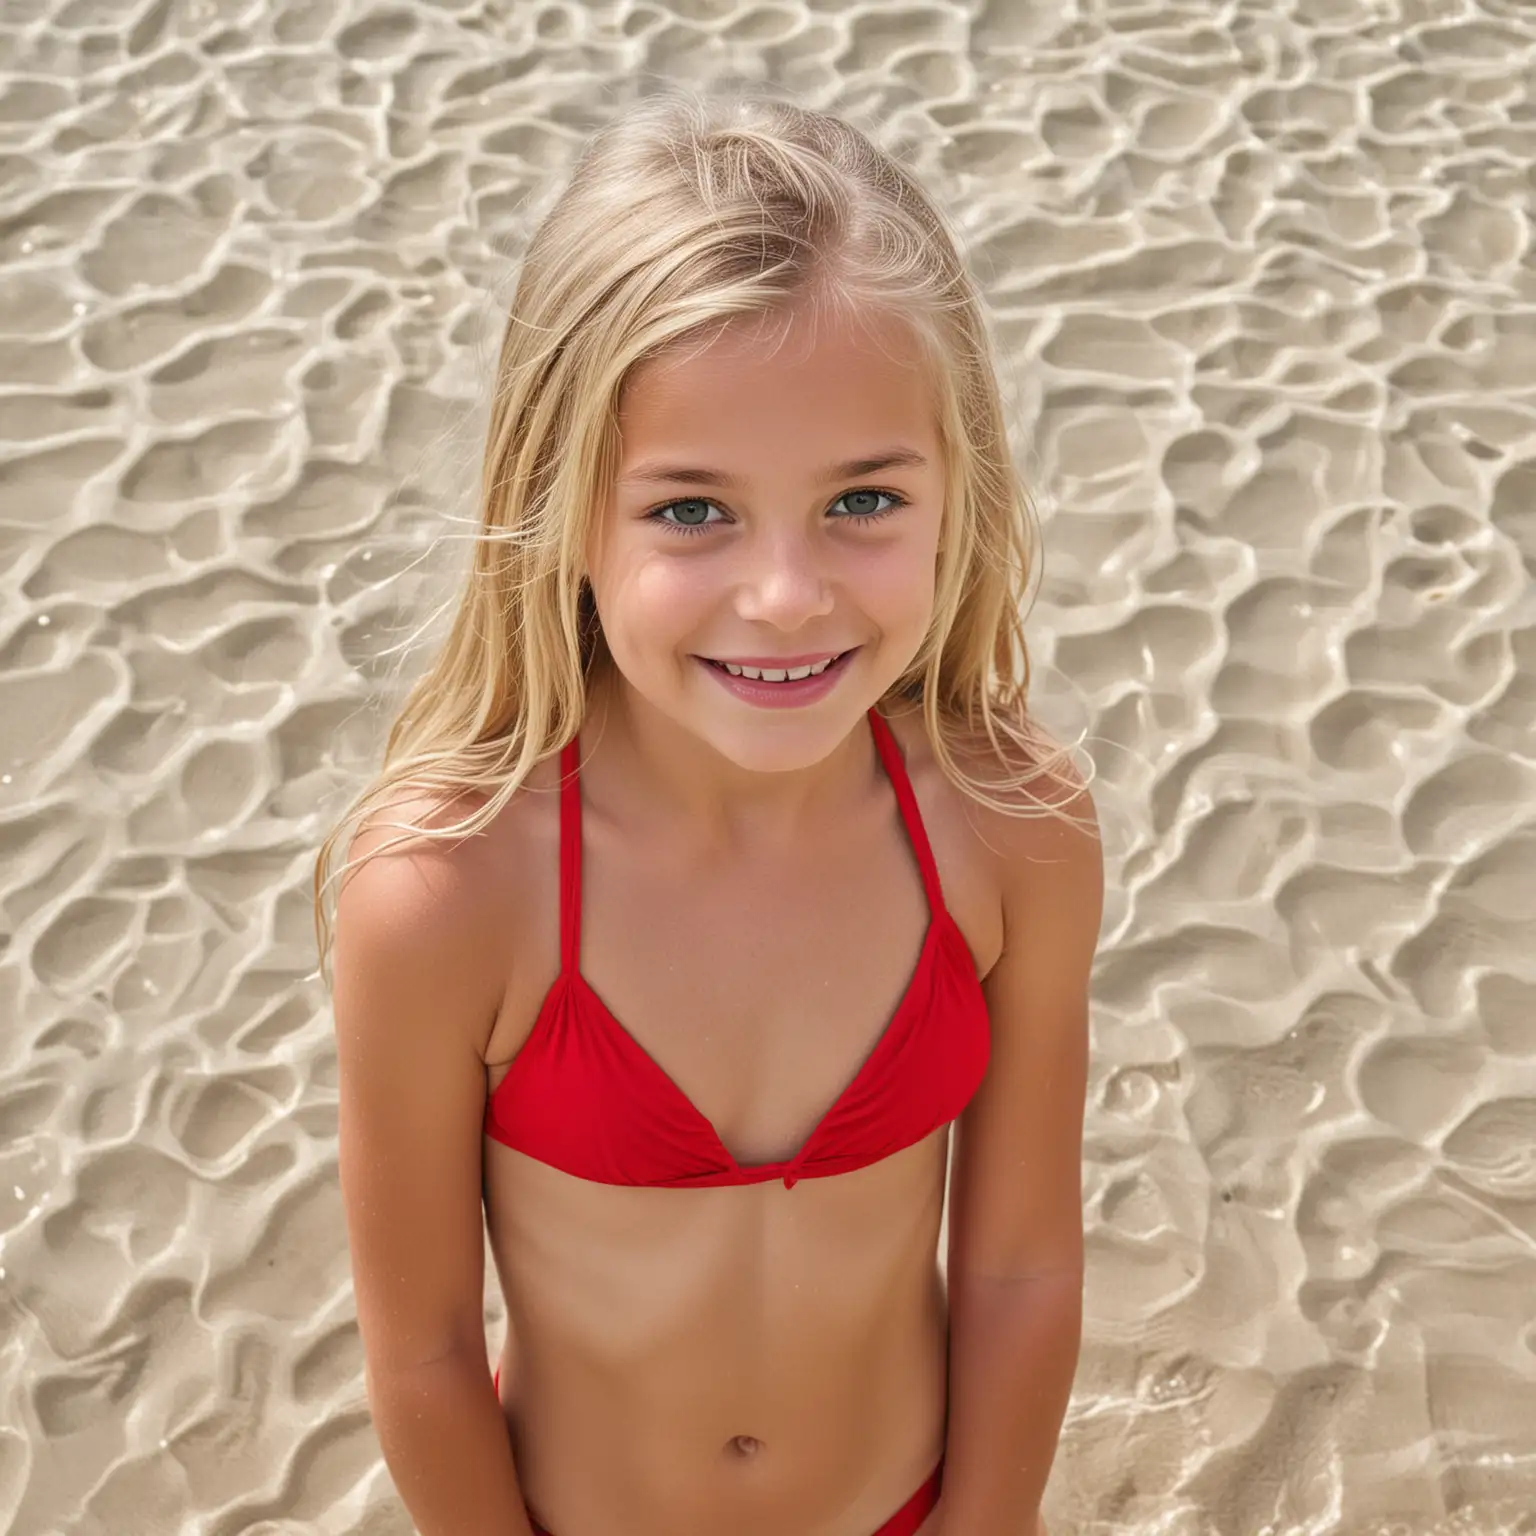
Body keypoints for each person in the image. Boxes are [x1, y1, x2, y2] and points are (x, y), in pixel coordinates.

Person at [315, 86, 1103, 1536]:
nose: (788, 594)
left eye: (864, 501)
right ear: (565, 512)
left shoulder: (1009, 826)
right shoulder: (449, 888)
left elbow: (1017, 1271)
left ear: (958, 489)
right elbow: (421, 1354)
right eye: (693, 511)